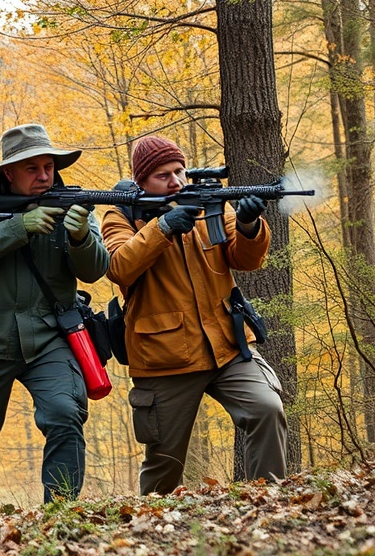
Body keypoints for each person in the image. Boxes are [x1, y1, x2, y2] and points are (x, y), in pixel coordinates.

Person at [100, 135, 288, 494]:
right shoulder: (120, 213)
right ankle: (149, 530)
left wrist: (249, 225)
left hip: (228, 344)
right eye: (163, 175)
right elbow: (118, 267)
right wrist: (164, 226)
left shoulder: (208, 205)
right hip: (164, 355)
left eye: (180, 171)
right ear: (141, 182)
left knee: (267, 409)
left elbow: (247, 260)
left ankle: (268, 501)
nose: (176, 181)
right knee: (164, 466)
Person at [0, 124, 110, 511]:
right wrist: (19, 227)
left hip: (51, 336)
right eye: (32, 168)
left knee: (65, 415)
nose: (44, 176)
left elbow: (96, 269)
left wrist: (82, 237)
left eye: (48, 166)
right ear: (8, 173)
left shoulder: (73, 203)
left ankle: (60, 517)